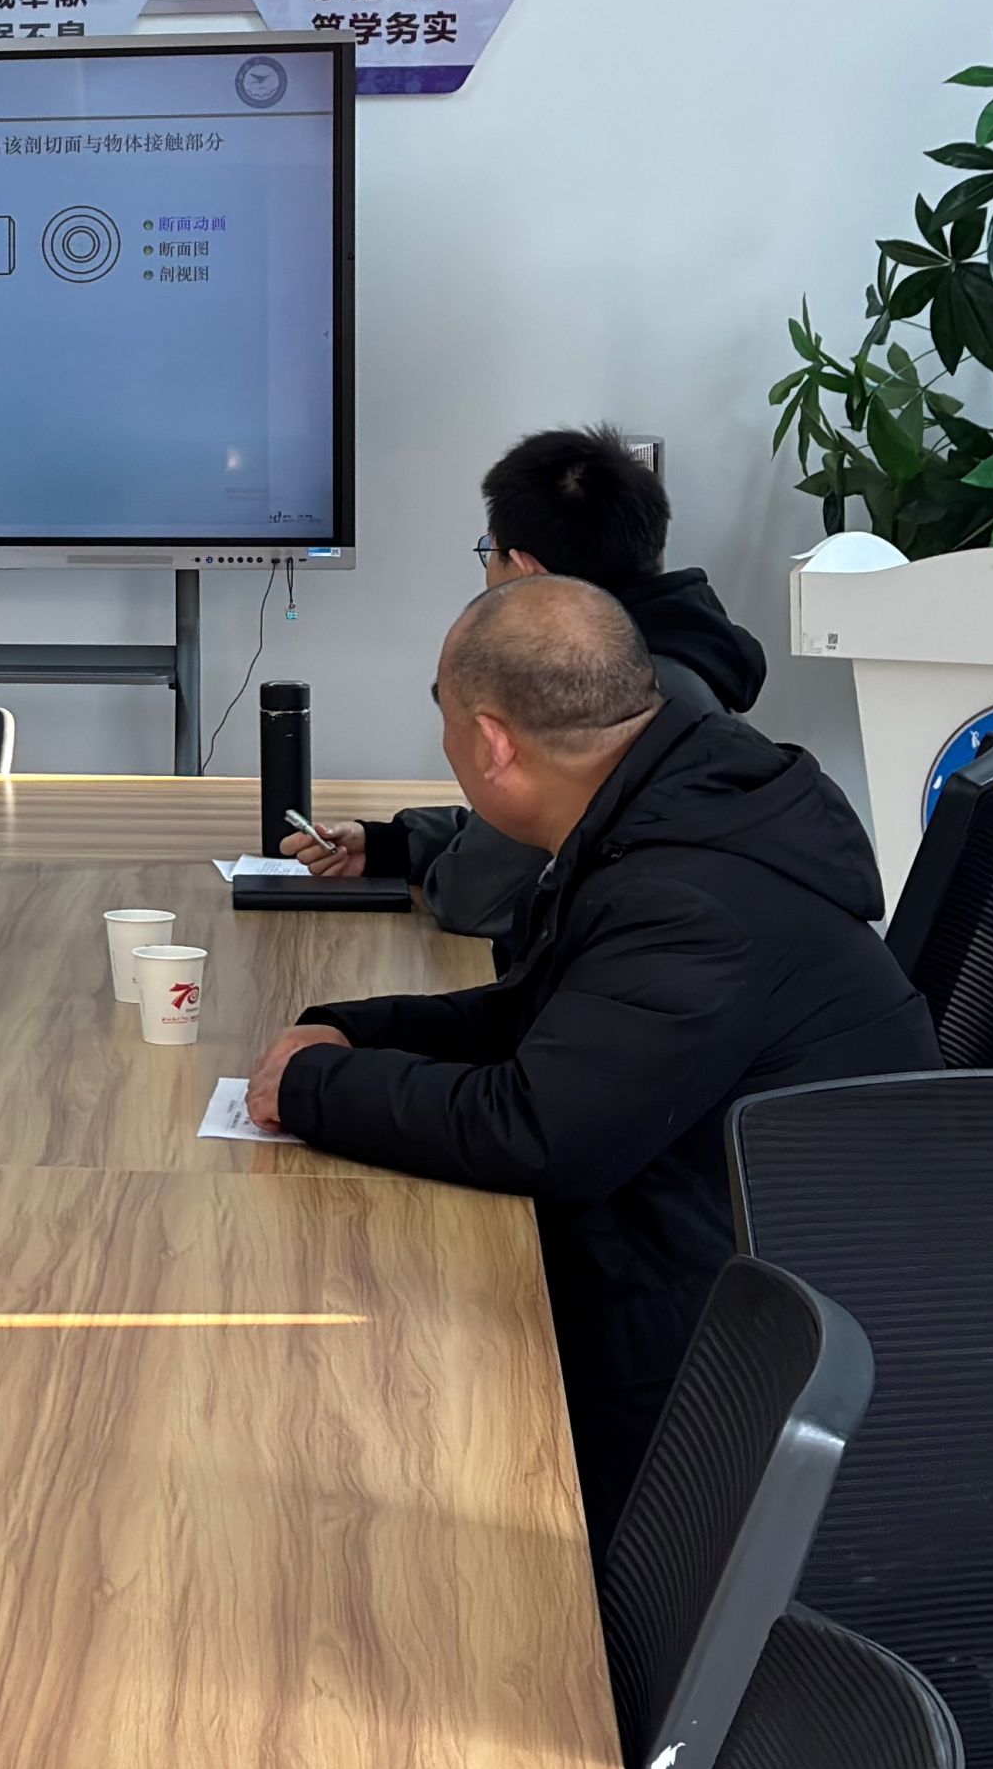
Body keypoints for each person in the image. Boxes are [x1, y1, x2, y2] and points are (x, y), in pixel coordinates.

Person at [245, 578, 935, 1542]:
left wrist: (316, 1086)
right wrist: (352, 1032)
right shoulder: (676, 808)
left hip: (755, 1355)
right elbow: (547, 1015)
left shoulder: (689, 894)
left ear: (493, 743)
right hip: (742, 1249)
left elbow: (540, 1132)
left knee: (390, 1401)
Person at [286, 424, 772, 942]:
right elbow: (542, 837)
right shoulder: (677, 664)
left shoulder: (606, 695)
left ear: (526, 573)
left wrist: (426, 859)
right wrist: (395, 845)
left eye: (489, 552)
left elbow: (476, 898)